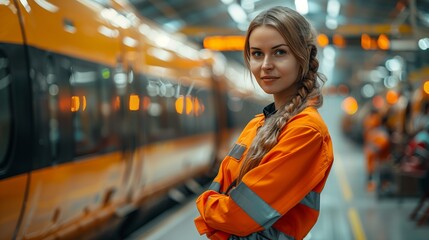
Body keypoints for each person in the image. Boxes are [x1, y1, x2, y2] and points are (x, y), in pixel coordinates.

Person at [194, 6, 334, 240]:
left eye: (279, 52)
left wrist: (205, 204)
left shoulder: (306, 132)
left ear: (305, 57)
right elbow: (221, 192)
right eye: (257, 54)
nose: (266, 65)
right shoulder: (257, 124)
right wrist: (216, 206)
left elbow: (237, 216)